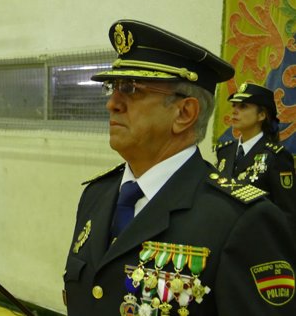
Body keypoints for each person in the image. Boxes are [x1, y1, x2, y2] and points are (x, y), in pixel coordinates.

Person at [63, 19, 296, 315]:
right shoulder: (96, 196)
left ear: (184, 113)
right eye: (112, 87)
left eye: (131, 88)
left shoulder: (241, 220)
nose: (112, 103)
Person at [214, 82, 296, 234]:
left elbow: (287, 213)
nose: (234, 111)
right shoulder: (224, 151)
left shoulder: (276, 156)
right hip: (222, 234)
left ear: (262, 115)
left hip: (256, 239)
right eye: (234, 105)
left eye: (243, 106)